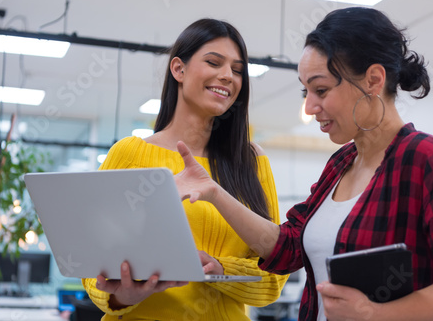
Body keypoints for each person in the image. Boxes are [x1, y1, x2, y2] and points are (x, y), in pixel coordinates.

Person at [174, 7, 433, 321]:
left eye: (321, 90)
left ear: (373, 80)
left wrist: (374, 313)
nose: (310, 106)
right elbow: (287, 247)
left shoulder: (424, 158)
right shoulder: (341, 164)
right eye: (306, 91)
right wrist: (214, 192)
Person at [82, 18, 288, 320]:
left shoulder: (252, 164)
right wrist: (120, 297)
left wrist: (219, 270)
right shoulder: (129, 154)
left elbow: (274, 277)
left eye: (237, 69)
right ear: (178, 69)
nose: (228, 76)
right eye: (214, 62)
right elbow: (92, 265)